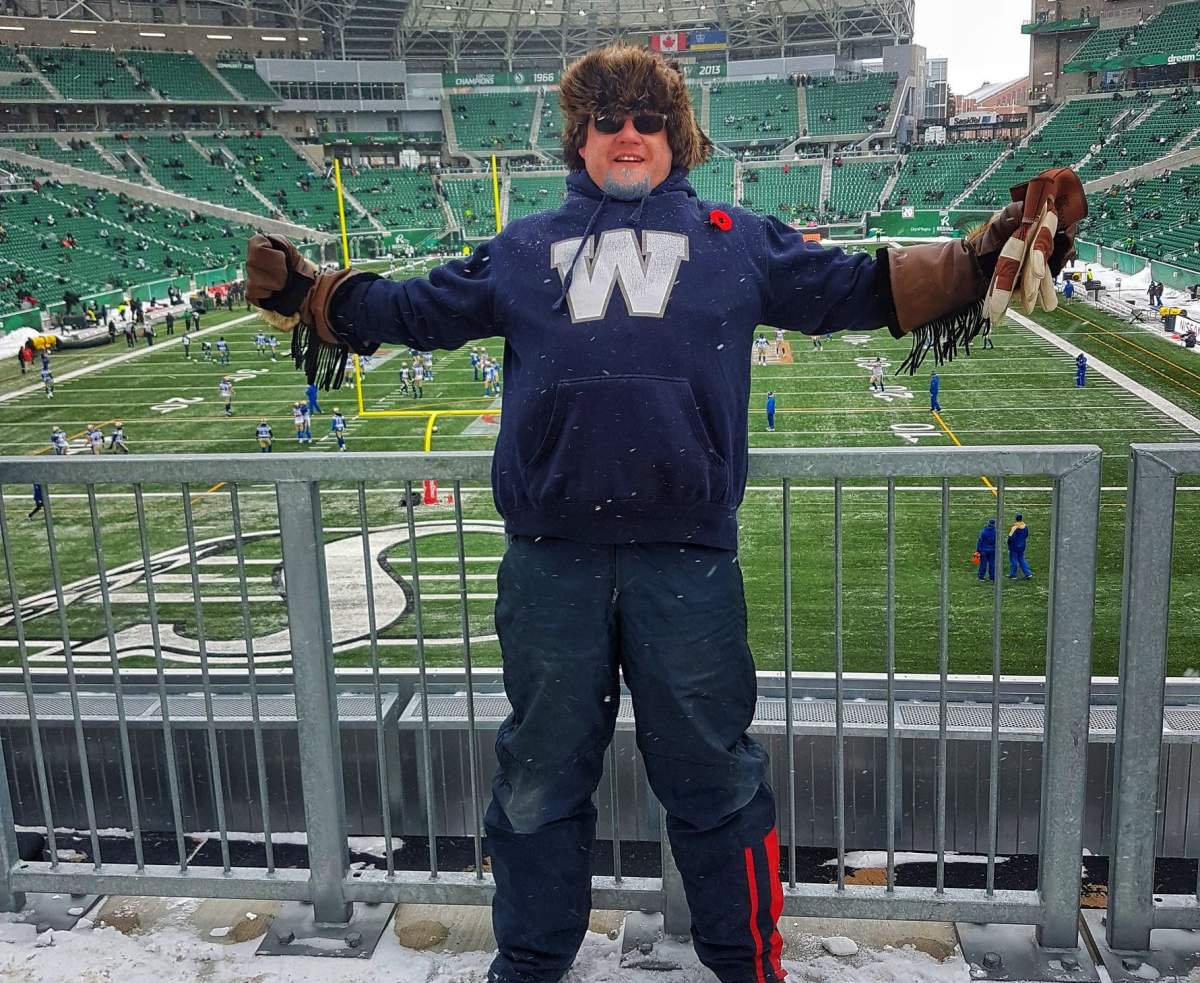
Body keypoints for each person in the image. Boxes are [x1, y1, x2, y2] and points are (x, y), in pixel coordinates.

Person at [245, 43, 1083, 983]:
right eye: (608, 119)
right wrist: (311, 294)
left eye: (648, 119)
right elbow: (412, 309)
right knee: (535, 784)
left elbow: (858, 286)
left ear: (676, 136)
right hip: (552, 561)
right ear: (581, 137)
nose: (629, 135)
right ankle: (528, 964)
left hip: (683, 563)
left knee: (716, 782)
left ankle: (745, 963)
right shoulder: (522, 249)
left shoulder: (734, 236)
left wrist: (981, 254)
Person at [1007, 513, 1032, 579]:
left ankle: (1013, 574)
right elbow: (1026, 535)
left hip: (1014, 546)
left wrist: (1009, 545)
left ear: (1016, 519)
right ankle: (1028, 573)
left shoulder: (1014, 528)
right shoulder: (1025, 527)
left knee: (1013, 560)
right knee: (1021, 559)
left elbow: (1010, 538)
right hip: (1022, 545)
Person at [977, 518, 997, 582]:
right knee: (992, 564)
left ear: (988, 523)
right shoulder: (996, 531)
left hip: (983, 550)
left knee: (983, 564)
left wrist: (978, 549)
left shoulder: (983, 531)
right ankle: (992, 577)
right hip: (993, 550)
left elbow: (980, 541)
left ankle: (981, 577)